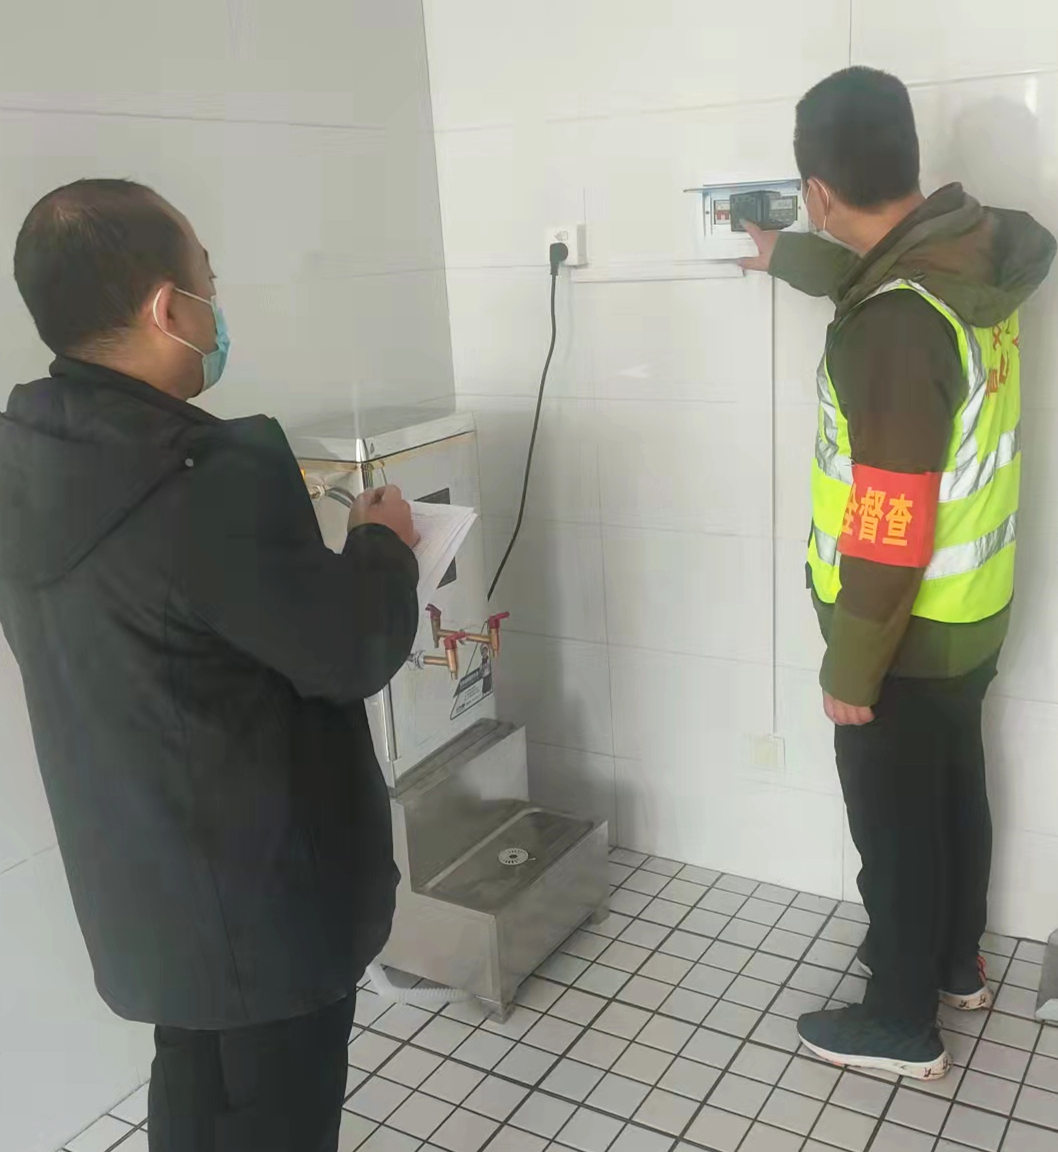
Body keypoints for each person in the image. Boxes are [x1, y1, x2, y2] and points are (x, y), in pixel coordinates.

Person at [0, 179, 421, 1150]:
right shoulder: (211, 476)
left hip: (140, 881)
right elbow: (350, 649)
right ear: (168, 309)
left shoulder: (26, 459)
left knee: (190, 1073)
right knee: (277, 1113)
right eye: (208, 283)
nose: (215, 309)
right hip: (262, 898)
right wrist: (382, 543)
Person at [742, 68, 1055, 1078]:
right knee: (952, 786)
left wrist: (850, 664)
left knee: (893, 822)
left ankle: (898, 1020)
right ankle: (955, 963)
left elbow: (889, 521)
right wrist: (783, 256)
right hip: (971, 610)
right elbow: (873, 281)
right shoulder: (964, 258)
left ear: (818, 189)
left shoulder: (893, 324)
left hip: (901, 628)